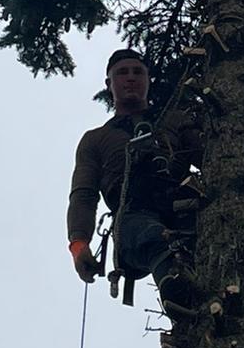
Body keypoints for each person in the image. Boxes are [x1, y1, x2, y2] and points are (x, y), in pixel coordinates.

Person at [67, 49, 202, 310]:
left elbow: (208, 156)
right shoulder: (96, 139)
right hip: (132, 216)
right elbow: (83, 194)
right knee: (150, 235)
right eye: (122, 73)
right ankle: (175, 290)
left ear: (149, 80)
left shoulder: (174, 121)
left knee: (217, 228)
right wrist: (79, 242)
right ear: (109, 84)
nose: (130, 78)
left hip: (183, 205)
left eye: (138, 72)